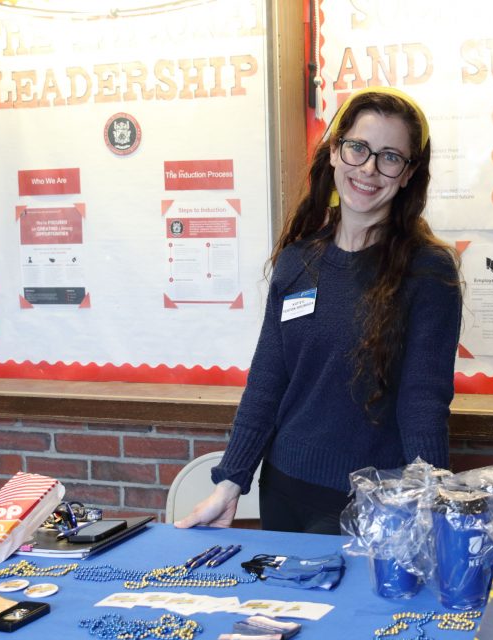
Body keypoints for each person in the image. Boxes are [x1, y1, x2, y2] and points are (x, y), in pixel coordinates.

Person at [175, 86, 462, 534]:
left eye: (390, 157)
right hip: (283, 489)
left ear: (407, 174)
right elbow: (269, 380)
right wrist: (231, 481)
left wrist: (433, 502)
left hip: (373, 503)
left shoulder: (427, 271)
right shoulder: (297, 261)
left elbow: (423, 399)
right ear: (334, 152)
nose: (369, 168)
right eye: (358, 148)